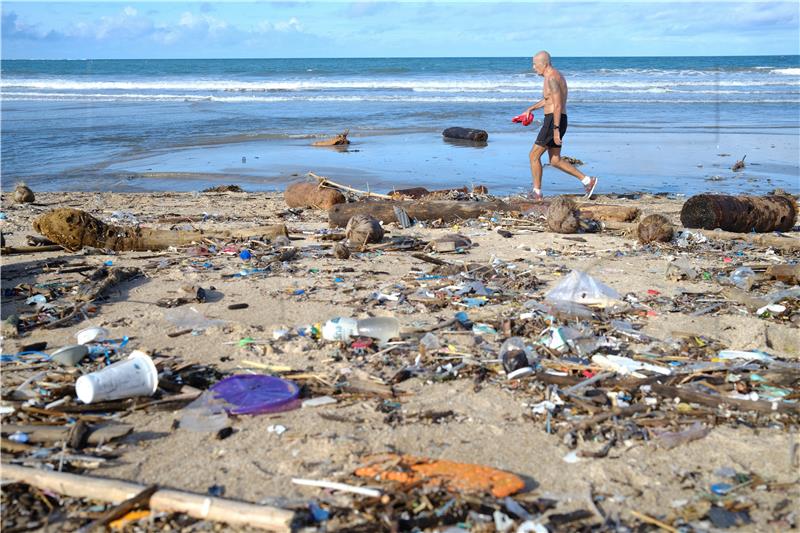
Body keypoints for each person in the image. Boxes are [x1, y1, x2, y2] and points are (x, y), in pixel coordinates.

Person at [520, 51, 598, 201]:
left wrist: (555, 130)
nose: (534, 68)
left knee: (533, 156)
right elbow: (548, 100)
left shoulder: (552, 78)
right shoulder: (554, 76)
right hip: (558, 120)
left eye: (535, 64)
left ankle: (536, 193)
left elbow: (557, 105)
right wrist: (531, 109)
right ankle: (588, 181)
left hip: (553, 121)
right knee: (555, 160)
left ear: (544, 64)